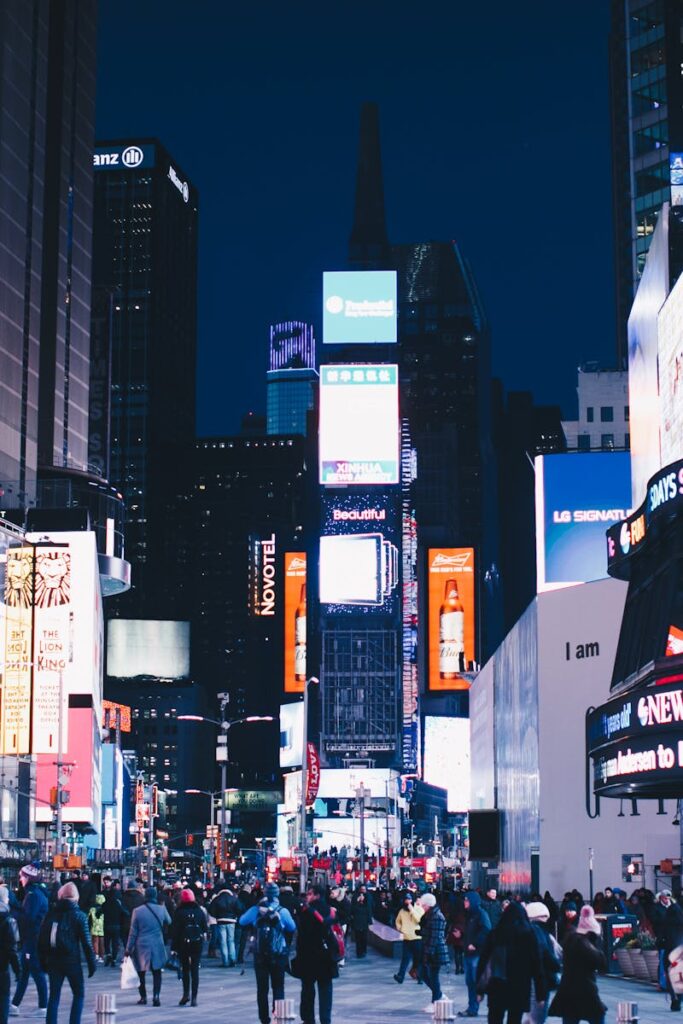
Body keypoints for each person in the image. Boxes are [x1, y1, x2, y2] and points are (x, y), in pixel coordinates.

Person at [37, 882, 96, 1024]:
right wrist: (91, 964)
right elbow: (87, 943)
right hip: (72, 961)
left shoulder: (51, 914)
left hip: (53, 960)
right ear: (76, 897)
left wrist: (43, 962)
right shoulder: (80, 916)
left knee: (54, 996)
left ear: (61, 896)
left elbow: (41, 940)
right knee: (78, 994)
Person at [239, 882, 296, 1024]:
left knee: (262, 990)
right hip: (278, 954)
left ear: (264, 893)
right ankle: (279, 1017)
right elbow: (292, 927)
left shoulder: (256, 910)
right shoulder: (282, 911)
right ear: (277, 895)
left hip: (260, 955)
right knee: (278, 988)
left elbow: (242, 921)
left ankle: (264, 1019)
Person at [548, 904, 606, 1024]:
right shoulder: (585, 946)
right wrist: (597, 944)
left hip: (568, 988)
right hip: (585, 989)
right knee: (597, 1017)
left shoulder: (571, 940)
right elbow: (601, 964)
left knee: (570, 1017)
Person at [11, 865, 48, 1017]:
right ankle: (14, 1004)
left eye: (22, 876)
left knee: (36, 972)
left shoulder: (33, 895)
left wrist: (12, 910)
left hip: (32, 939)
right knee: (25, 972)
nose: (20, 879)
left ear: (28, 878)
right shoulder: (36, 893)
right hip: (32, 938)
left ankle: (43, 1007)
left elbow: (28, 918)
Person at [124, 887, 171, 1007]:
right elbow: (169, 921)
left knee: (141, 972)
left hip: (141, 945)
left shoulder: (137, 911)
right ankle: (156, 996)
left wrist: (128, 948)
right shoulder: (161, 909)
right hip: (157, 944)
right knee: (157, 972)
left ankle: (143, 997)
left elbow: (133, 932)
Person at [526, 902, 562, 1024]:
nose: (547, 919)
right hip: (539, 980)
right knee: (537, 1018)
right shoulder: (539, 932)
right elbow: (546, 955)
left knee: (535, 1017)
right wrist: (556, 965)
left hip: (537, 979)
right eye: (544, 916)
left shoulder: (535, 931)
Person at [170, 888, 207, 1007]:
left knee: (185, 969)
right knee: (195, 970)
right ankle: (194, 997)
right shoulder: (199, 911)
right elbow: (204, 928)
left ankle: (186, 994)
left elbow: (175, 932)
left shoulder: (179, 912)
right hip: (197, 943)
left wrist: (174, 947)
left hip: (183, 944)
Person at [459, 891, 492, 1018]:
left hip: (477, 954)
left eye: (467, 900)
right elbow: (471, 932)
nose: (464, 902)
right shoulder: (470, 915)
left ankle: (490, 1006)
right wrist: (462, 936)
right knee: (470, 982)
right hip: (468, 953)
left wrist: (475, 944)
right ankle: (472, 1008)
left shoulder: (480, 914)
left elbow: (486, 930)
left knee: (478, 981)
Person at [651, 890, 683, 1010]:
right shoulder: (680, 919)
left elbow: (661, 937)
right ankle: (679, 998)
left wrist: (659, 943)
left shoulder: (667, 920)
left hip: (669, 950)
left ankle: (674, 997)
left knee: (669, 974)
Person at [419, 892, 450, 1012]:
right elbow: (429, 932)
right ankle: (439, 996)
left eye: (423, 905)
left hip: (435, 951)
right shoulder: (430, 915)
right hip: (431, 949)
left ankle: (436, 1000)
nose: (422, 907)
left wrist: (429, 952)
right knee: (425, 974)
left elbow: (435, 937)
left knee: (433, 976)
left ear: (428, 905)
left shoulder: (437, 916)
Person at [393, 891, 424, 984]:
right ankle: (400, 976)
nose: (408, 901)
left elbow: (419, 919)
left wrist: (412, 910)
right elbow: (397, 921)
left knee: (418, 959)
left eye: (409, 899)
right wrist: (400, 928)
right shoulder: (402, 911)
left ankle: (420, 977)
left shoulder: (418, 909)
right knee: (405, 958)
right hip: (406, 938)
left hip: (417, 938)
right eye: (406, 899)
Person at [0, 886, 20, 1024]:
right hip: (2, 967)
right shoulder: (8, 920)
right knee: (3, 998)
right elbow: (11, 948)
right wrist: (18, 970)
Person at [208, 883, 239, 968]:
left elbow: (210, 910)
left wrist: (217, 916)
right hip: (232, 921)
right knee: (231, 941)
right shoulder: (234, 898)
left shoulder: (217, 899)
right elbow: (240, 908)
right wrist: (235, 916)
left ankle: (225, 961)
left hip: (221, 921)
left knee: (223, 942)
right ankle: (232, 959)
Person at [102, 880, 128, 966]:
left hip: (107, 925)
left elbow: (99, 913)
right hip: (116, 926)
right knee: (115, 943)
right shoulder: (118, 904)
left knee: (106, 942)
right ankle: (113, 958)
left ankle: (108, 954)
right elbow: (125, 913)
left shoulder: (106, 903)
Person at [121, 880, 144, 947]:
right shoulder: (141, 897)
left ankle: (128, 954)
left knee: (126, 940)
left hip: (126, 923)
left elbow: (122, 910)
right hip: (137, 923)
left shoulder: (124, 897)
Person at [350, 888, 371, 959]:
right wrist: (357, 900)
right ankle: (359, 952)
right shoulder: (355, 901)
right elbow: (352, 909)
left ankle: (364, 951)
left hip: (364, 922)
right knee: (358, 937)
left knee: (364, 937)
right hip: (357, 921)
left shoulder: (367, 901)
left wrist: (369, 921)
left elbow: (369, 911)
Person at [87, 895, 105, 963]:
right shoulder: (104, 909)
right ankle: (102, 957)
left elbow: (88, 919)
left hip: (94, 927)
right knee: (102, 943)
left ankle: (96, 955)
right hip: (102, 928)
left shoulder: (92, 909)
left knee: (95, 942)